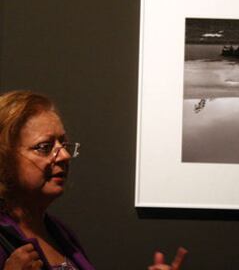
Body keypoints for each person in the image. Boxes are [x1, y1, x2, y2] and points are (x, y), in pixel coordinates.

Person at [0, 90, 187, 270]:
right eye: (44, 147)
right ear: (4, 158)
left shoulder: (58, 233)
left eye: (63, 144)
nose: (64, 155)